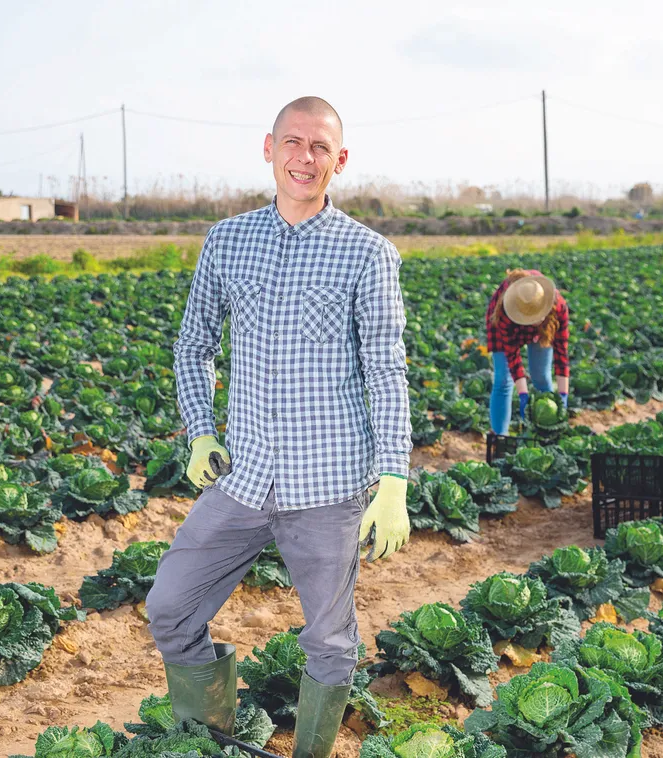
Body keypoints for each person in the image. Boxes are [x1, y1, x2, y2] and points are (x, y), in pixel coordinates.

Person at [147, 96, 413, 758]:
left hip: (327, 484)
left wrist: (393, 480)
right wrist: (200, 429)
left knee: (327, 641)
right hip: (243, 478)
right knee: (171, 607)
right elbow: (193, 345)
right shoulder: (228, 240)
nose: (304, 157)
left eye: (320, 148)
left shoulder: (367, 253)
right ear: (268, 149)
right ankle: (211, 739)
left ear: (339, 162)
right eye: (292, 143)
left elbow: (385, 372)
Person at [486, 269, 570, 435]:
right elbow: (512, 357)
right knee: (503, 380)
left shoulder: (558, 307)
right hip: (504, 322)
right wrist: (523, 395)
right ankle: (500, 437)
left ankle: (546, 434)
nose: (532, 321)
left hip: (546, 326)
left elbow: (562, 353)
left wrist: (563, 396)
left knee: (541, 376)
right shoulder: (504, 312)